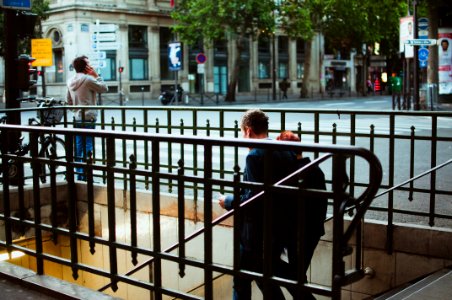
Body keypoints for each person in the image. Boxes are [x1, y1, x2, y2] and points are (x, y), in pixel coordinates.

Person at [217, 109, 297, 300]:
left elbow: (254, 200)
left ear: (248, 131)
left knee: (241, 281)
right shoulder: (283, 149)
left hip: (254, 234)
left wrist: (228, 201)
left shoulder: (254, 156)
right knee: (264, 279)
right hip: (278, 229)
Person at [276, 130, 328, 300]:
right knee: (297, 276)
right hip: (310, 230)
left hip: (297, 231)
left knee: (292, 277)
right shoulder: (313, 168)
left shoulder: (292, 171)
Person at [67, 55, 108, 181]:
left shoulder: (70, 81)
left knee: (79, 147)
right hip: (89, 117)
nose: (91, 67)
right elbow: (104, 88)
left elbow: (68, 101)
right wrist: (96, 75)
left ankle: (80, 175)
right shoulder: (88, 79)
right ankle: (86, 176)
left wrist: (77, 110)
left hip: (78, 118)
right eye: (89, 65)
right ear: (85, 67)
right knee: (88, 146)